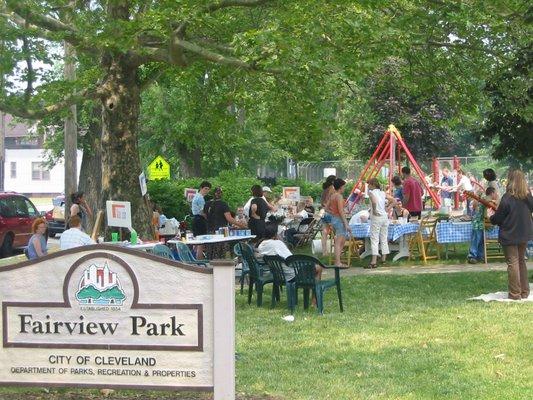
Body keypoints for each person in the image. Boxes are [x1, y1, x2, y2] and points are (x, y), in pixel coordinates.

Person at [489, 169, 532, 300]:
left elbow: (498, 219)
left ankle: (515, 294)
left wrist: (491, 216)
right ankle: (524, 292)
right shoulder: (528, 197)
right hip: (524, 233)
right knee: (521, 262)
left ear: (510, 180)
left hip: (509, 234)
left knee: (513, 263)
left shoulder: (507, 198)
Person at [367, 178, 397, 269]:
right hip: (384, 217)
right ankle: (384, 259)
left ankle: (373, 261)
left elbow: (374, 201)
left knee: (374, 239)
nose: (368, 186)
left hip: (376, 217)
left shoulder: (371, 193)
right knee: (384, 238)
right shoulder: (383, 193)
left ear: (372, 185)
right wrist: (387, 208)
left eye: (369, 184)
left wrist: (375, 210)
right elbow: (394, 200)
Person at [468, 187, 498, 264]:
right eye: (495, 193)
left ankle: (480, 256)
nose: (497, 195)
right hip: (478, 222)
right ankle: (472, 256)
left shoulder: (488, 200)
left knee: (481, 240)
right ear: (492, 193)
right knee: (476, 240)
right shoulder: (486, 199)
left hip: (482, 223)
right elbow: (476, 206)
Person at [327, 178, 351, 267]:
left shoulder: (332, 196)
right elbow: (341, 211)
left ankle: (338, 261)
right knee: (339, 242)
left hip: (334, 219)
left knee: (341, 241)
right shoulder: (339, 196)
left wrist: (333, 213)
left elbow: (326, 208)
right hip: (339, 220)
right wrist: (346, 224)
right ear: (341, 187)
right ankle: (337, 263)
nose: (344, 188)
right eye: (344, 186)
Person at [191, 181, 211, 259]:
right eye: (205, 188)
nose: (207, 191)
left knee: (196, 243)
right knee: (200, 243)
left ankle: (194, 259)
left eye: (208, 189)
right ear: (201, 188)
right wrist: (208, 219)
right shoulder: (200, 198)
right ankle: (199, 261)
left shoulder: (196, 196)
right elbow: (203, 212)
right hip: (199, 220)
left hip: (196, 219)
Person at [320, 175, 336, 255]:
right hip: (329, 212)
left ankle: (324, 252)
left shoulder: (324, 190)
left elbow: (322, 202)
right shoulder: (332, 189)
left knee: (324, 233)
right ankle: (336, 250)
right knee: (336, 231)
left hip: (322, 212)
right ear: (333, 181)